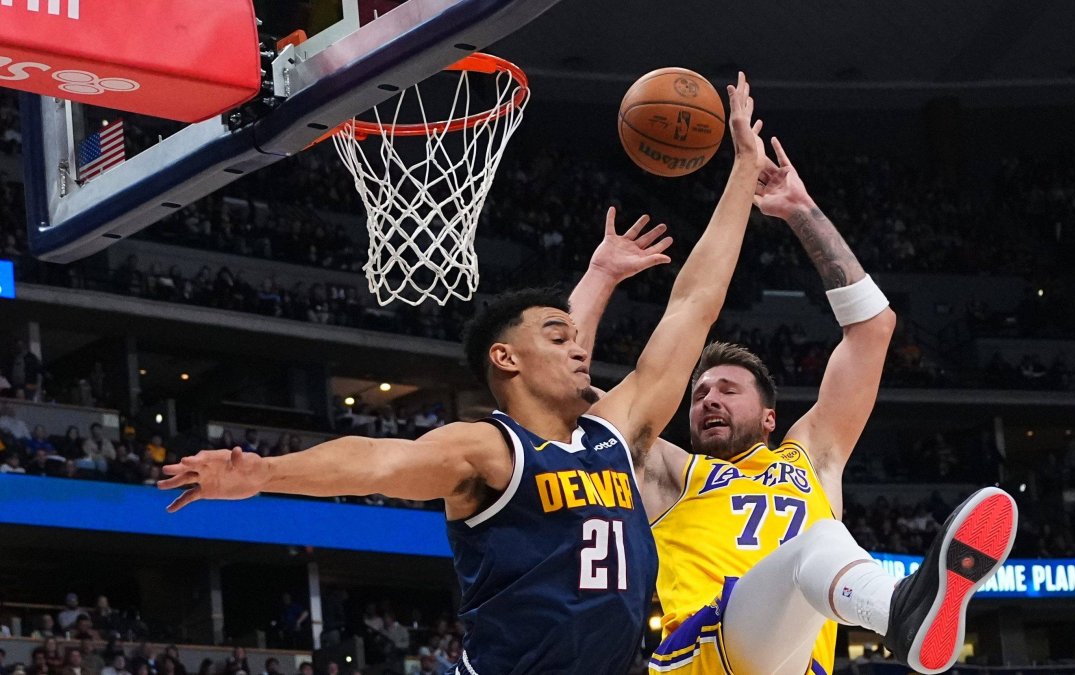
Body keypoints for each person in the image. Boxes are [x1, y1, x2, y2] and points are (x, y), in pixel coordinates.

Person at [157, 73, 767, 675]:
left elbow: (693, 305)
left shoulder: (613, 434)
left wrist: (742, 169)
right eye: (559, 339)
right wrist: (266, 473)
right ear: (506, 359)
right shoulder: (489, 451)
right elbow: (376, 461)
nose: (581, 350)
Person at [572, 137, 1017, 675]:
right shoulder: (668, 472)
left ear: (770, 418)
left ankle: (904, 611)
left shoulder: (812, 459)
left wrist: (800, 210)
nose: (709, 399)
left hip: (794, 666)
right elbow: (564, 396)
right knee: (821, 539)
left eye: (728, 390)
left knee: (818, 550)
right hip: (701, 658)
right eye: (700, 394)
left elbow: (873, 328)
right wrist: (599, 277)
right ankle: (899, 610)